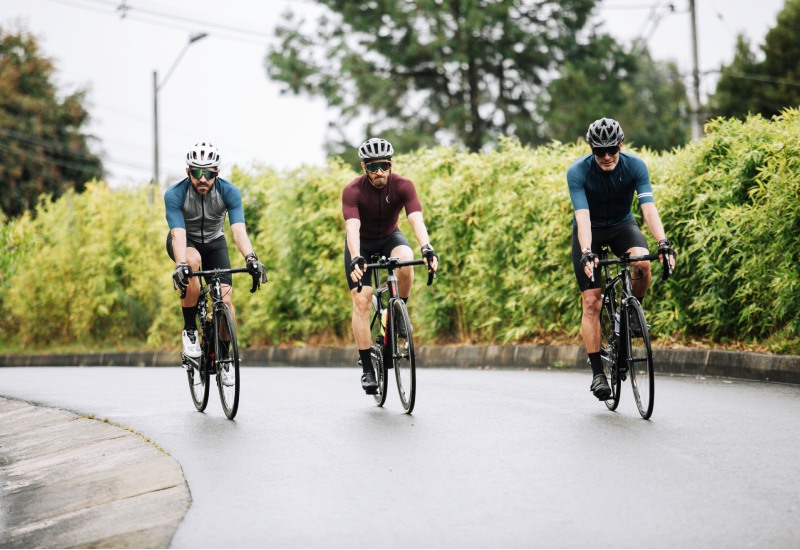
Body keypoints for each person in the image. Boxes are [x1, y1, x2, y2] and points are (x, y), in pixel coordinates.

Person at [567, 118, 676, 401]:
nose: (606, 157)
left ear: (621, 145)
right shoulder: (577, 172)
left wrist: (663, 243)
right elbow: (582, 216)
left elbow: (648, 208)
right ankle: (597, 374)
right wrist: (588, 251)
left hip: (621, 227)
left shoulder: (635, 166)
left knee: (642, 263)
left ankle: (631, 311)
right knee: (592, 301)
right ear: (590, 148)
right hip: (590, 230)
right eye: (599, 151)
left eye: (612, 149)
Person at [342, 137, 439, 394]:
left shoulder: (403, 186)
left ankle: (397, 314)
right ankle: (366, 369)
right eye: (373, 167)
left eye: (383, 165)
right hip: (360, 245)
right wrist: (355, 257)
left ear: (391, 164)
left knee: (407, 261)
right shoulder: (352, 191)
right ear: (364, 167)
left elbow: (416, 219)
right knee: (362, 300)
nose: (379, 172)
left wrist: (427, 248)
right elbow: (352, 227)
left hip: (389, 238)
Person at [165, 141, 265, 363]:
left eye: (208, 173)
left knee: (226, 300)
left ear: (217, 172)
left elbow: (238, 230)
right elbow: (178, 234)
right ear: (187, 172)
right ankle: (190, 330)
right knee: (192, 261)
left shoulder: (229, 192)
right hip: (185, 241)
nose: (203, 178)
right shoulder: (175, 193)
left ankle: (224, 356)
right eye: (197, 172)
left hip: (214, 242)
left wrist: (251, 257)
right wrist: (180, 264)